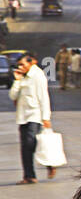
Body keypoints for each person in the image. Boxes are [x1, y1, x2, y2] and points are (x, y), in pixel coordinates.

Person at [8, 54, 52, 183]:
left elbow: (43, 97)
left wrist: (46, 117)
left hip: (35, 115)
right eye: (19, 65)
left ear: (31, 63)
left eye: (23, 64)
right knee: (25, 147)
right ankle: (29, 176)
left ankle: (50, 163)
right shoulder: (21, 77)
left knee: (31, 144)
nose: (20, 67)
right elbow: (12, 96)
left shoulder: (37, 76)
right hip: (22, 116)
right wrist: (17, 81)